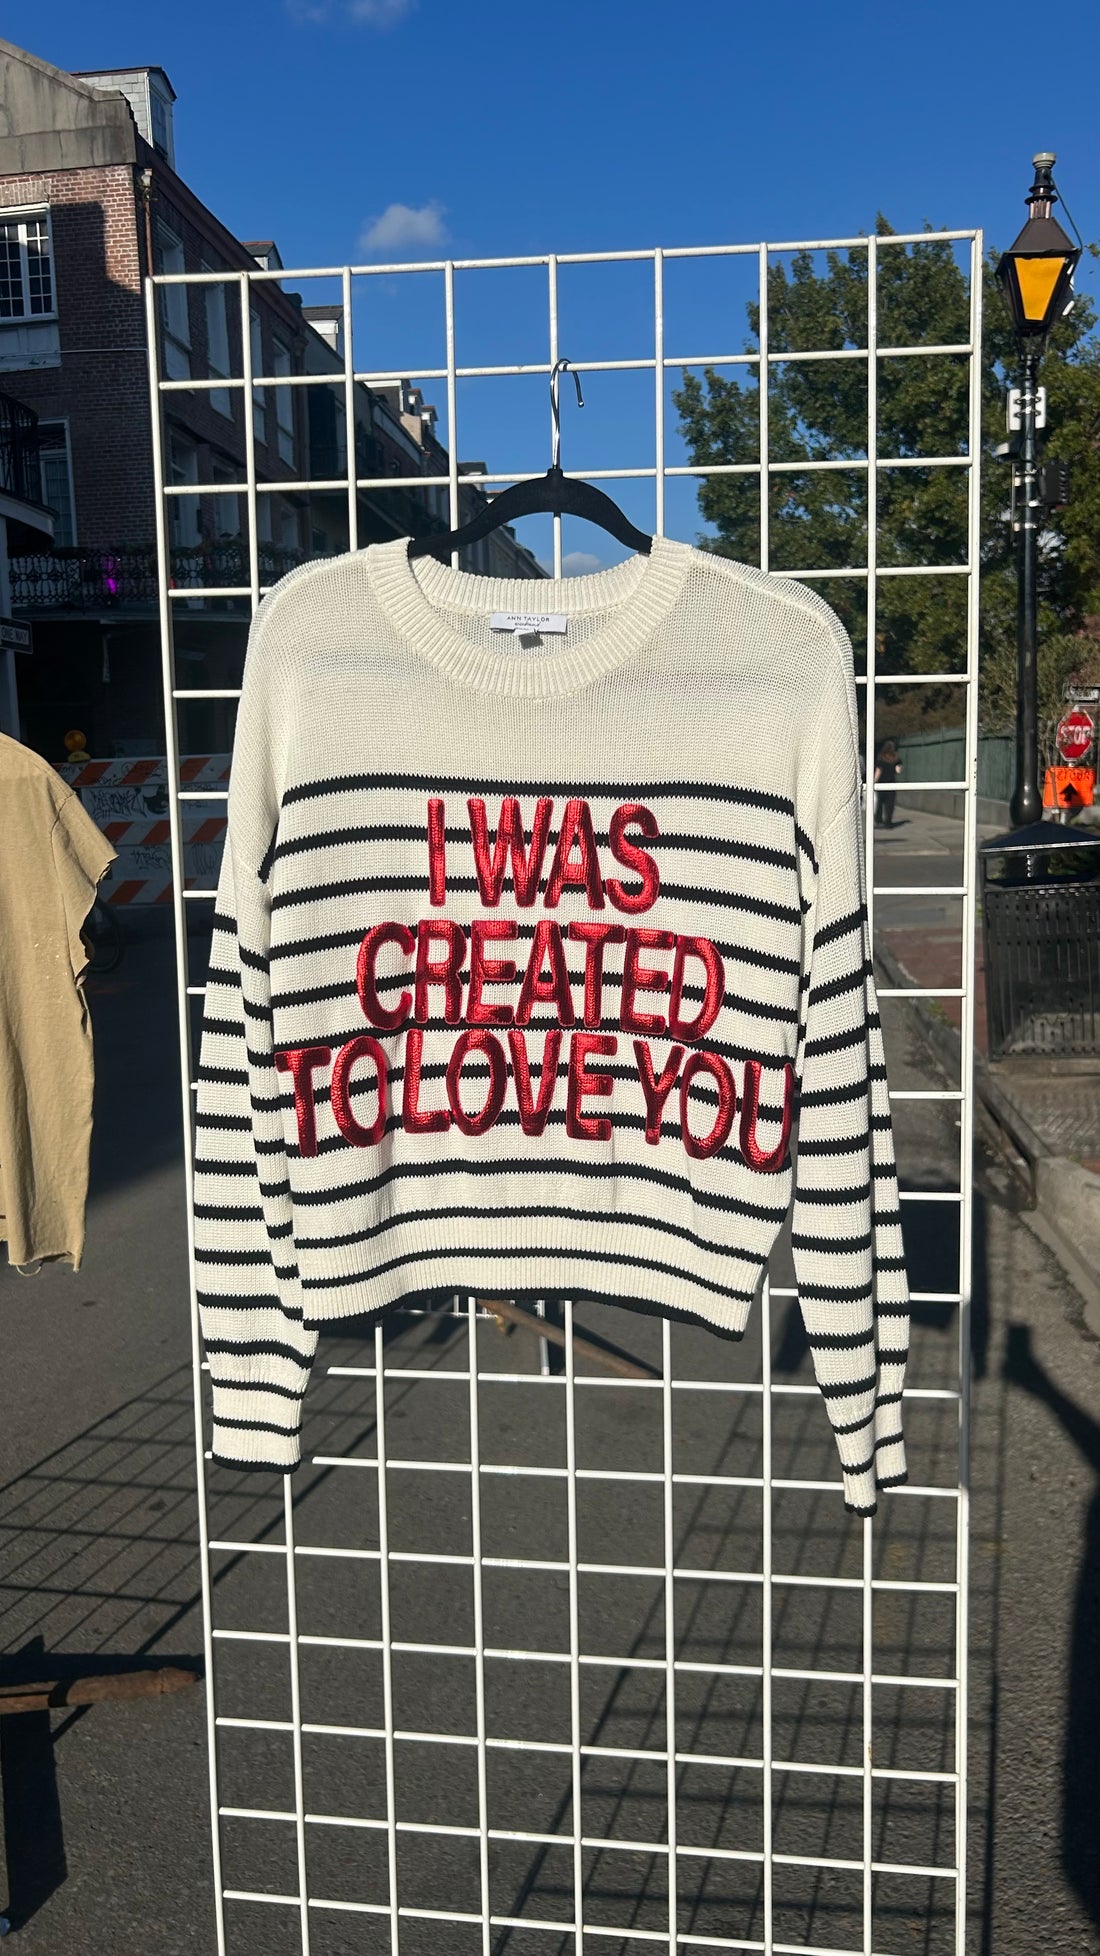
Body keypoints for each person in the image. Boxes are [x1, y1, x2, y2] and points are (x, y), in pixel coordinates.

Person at [874, 741, 902, 827]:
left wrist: (874, 781)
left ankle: (879, 820)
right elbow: (898, 771)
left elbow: (878, 771)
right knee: (890, 803)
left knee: (879, 803)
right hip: (891, 783)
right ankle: (888, 821)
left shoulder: (881, 757)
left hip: (881, 783)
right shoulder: (896, 758)